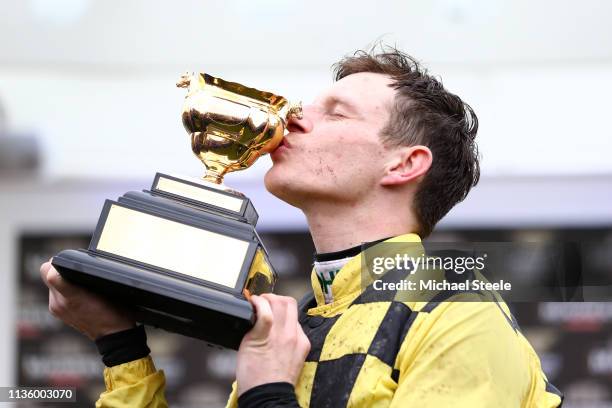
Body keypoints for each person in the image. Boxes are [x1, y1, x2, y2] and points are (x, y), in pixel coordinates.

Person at [40, 46, 563, 407]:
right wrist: (120, 346)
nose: (292, 118)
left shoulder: (456, 314)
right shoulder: (303, 324)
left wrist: (268, 392)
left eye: (336, 114)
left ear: (404, 164)